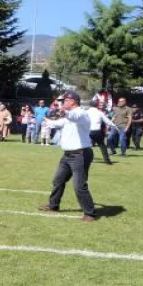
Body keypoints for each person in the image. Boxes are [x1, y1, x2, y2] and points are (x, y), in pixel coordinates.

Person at [38, 91, 98, 222]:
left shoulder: (81, 113)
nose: (62, 103)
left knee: (79, 186)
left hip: (80, 154)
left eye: (64, 101)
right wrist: (46, 120)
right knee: (58, 180)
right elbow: (57, 123)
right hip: (68, 155)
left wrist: (64, 112)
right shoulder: (68, 118)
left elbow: (73, 115)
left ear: (72, 101)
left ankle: (90, 214)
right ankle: (53, 205)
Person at [87, 99, 115, 164]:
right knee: (102, 146)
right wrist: (114, 126)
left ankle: (87, 159)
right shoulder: (100, 112)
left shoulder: (86, 112)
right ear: (96, 105)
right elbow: (107, 121)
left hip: (88, 131)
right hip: (97, 131)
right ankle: (107, 160)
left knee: (87, 146)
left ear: (89, 105)